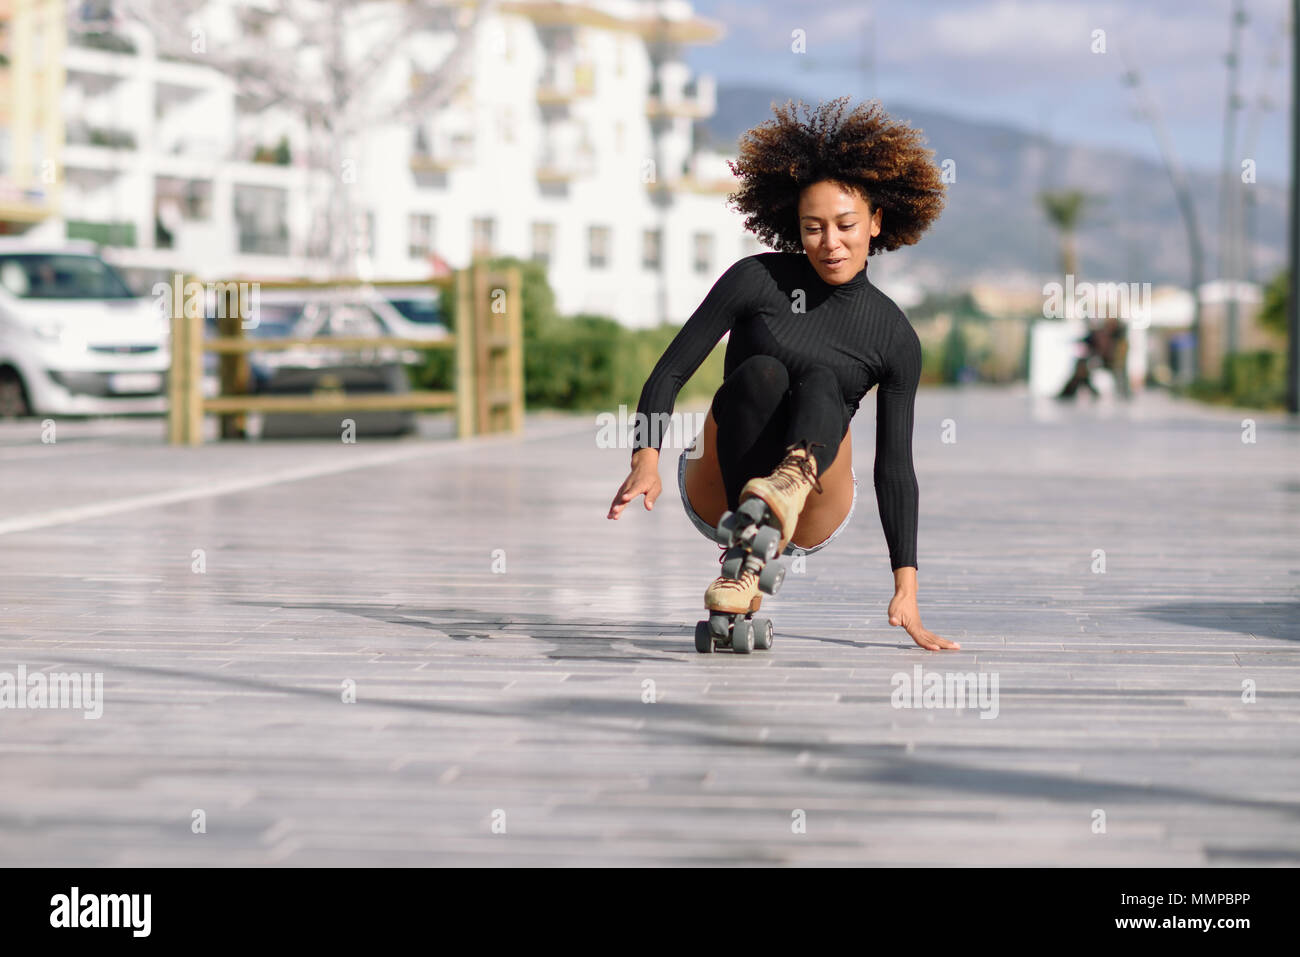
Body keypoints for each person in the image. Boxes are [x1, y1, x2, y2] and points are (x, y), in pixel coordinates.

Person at [606, 97, 958, 652]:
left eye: (845, 225)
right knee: (763, 372)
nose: (829, 242)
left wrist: (906, 588)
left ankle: (788, 487)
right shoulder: (755, 280)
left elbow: (894, 469)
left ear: (877, 222)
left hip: (817, 502)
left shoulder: (893, 335)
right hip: (719, 487)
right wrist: (645, 458)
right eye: (812, 227)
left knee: (822, 382)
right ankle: (742, 553)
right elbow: (670, 370)